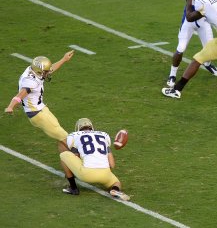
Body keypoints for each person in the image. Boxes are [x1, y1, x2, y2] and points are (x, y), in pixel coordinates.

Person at [4, 50, 78, 190]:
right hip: (38, 115)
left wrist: (63, 59)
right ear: (38, 71)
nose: (47, 73)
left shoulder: (33, 70)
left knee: (62, 139)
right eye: (44, 72)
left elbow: (49, 69)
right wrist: (10, 106)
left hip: (42, 109)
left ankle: (70, 168)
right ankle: (79, 167)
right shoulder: (30, 82)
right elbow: (19, 96)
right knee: (67, 139)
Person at [166, 0, 217, 87]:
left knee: (210, 47)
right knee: (180, 48)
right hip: (189, 18)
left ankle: (207, 63)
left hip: (203, 19)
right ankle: (172, 74)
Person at [60, 118, 130, 200]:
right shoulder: (103, 135)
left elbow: (76, 156)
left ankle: (73, 188)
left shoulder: (74, 136)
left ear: (78, 128)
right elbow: (112, 164)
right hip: (105, 173)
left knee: (64, 155)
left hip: (86, 174)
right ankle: (114, 190)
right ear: (91, 127)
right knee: (116, 182)